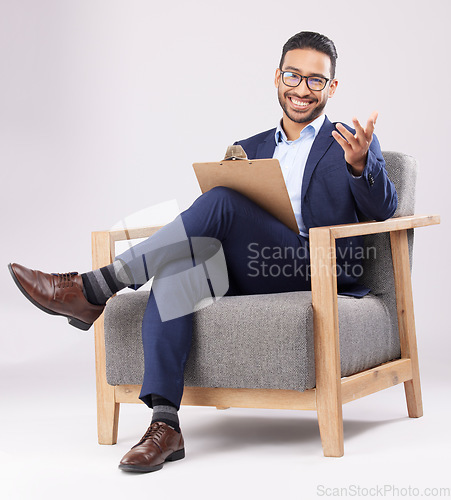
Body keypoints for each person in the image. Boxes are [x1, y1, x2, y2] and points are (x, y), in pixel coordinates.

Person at [8, 31, 397, 473]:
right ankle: (165, 424)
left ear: (332, 87)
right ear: (277, 77)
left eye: (315, 80)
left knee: (220, 203)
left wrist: (362, 167)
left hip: (316, 266)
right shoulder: (248, 148)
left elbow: (384, 208)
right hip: (249, 269)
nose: (302, 89)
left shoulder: (349, 142)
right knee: (179, 263)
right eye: (294, 75)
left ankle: (93, 288)